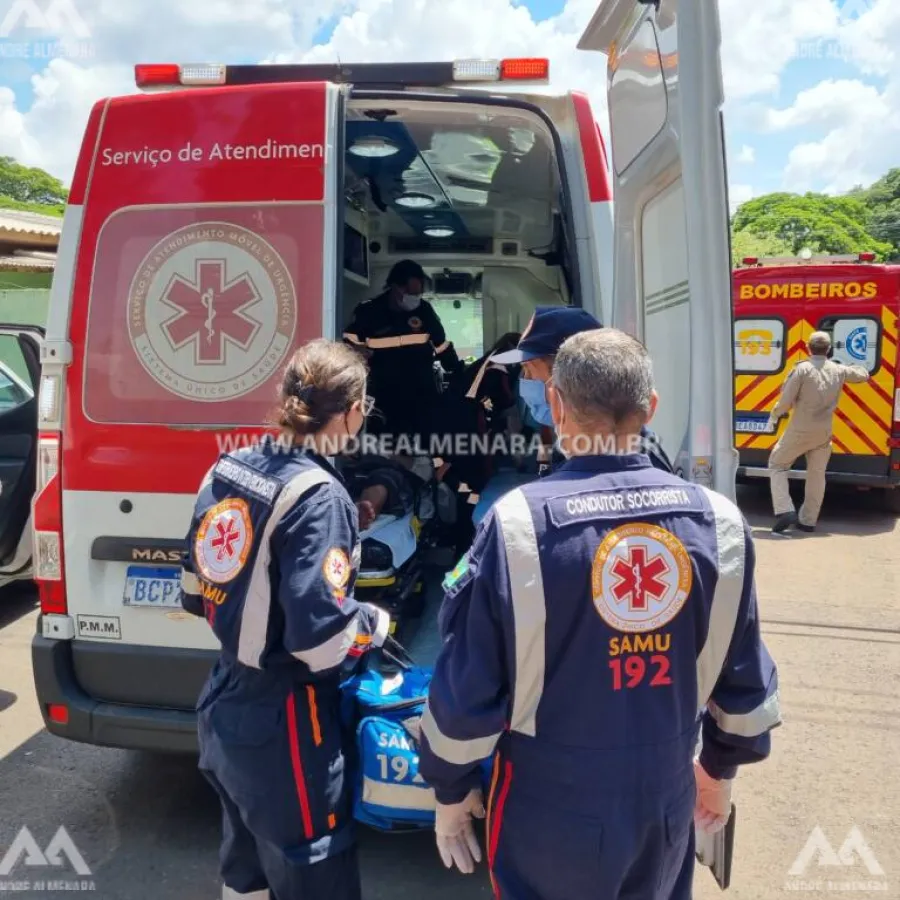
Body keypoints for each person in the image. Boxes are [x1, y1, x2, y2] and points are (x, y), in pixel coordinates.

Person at [417, 328, 781, 899]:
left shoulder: (516, 526)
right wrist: (716, 772)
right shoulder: (721, 524)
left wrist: (450, 790)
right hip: (664, 794)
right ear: (651, 409)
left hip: (547, 804)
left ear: (557, 405)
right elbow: (746, 687)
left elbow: (467, 691)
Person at [178, 339, 391, 900]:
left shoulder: (227, 467)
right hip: (289, 723)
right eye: (362, 409)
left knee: (244, 869)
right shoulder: (320, 496)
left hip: (223, 702)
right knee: (311, 869)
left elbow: (193, 591)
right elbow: (321, 643)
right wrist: (371, 621)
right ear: (349, 412)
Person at [491, 306, 676, 475]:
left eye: (530, 370)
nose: (525, 381)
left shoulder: (630, 458)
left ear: (566, 373)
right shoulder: (574, 446)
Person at [343, 259, 462, 444]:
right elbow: (349, 341)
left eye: (418, 292)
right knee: (385, 446)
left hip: (421, 392)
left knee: (425, 443)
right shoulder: (369, 311)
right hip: (384, 393)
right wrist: (357, 351)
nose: (415, 297)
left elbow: (441, 345)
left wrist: (458, 371)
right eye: (411, 292)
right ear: (395, 287)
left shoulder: (424, 311)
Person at [767, 330, 870, 534]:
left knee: (777, 464)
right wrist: (848, 365)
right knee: (816, 475)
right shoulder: (838, 370)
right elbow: (863, 375)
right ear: (829, 349)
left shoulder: (802, 370)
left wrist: (774, 415)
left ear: (808, 347)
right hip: (823, 433)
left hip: (799, 430)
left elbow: (786, 401)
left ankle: (785, 510)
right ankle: (808, 521)